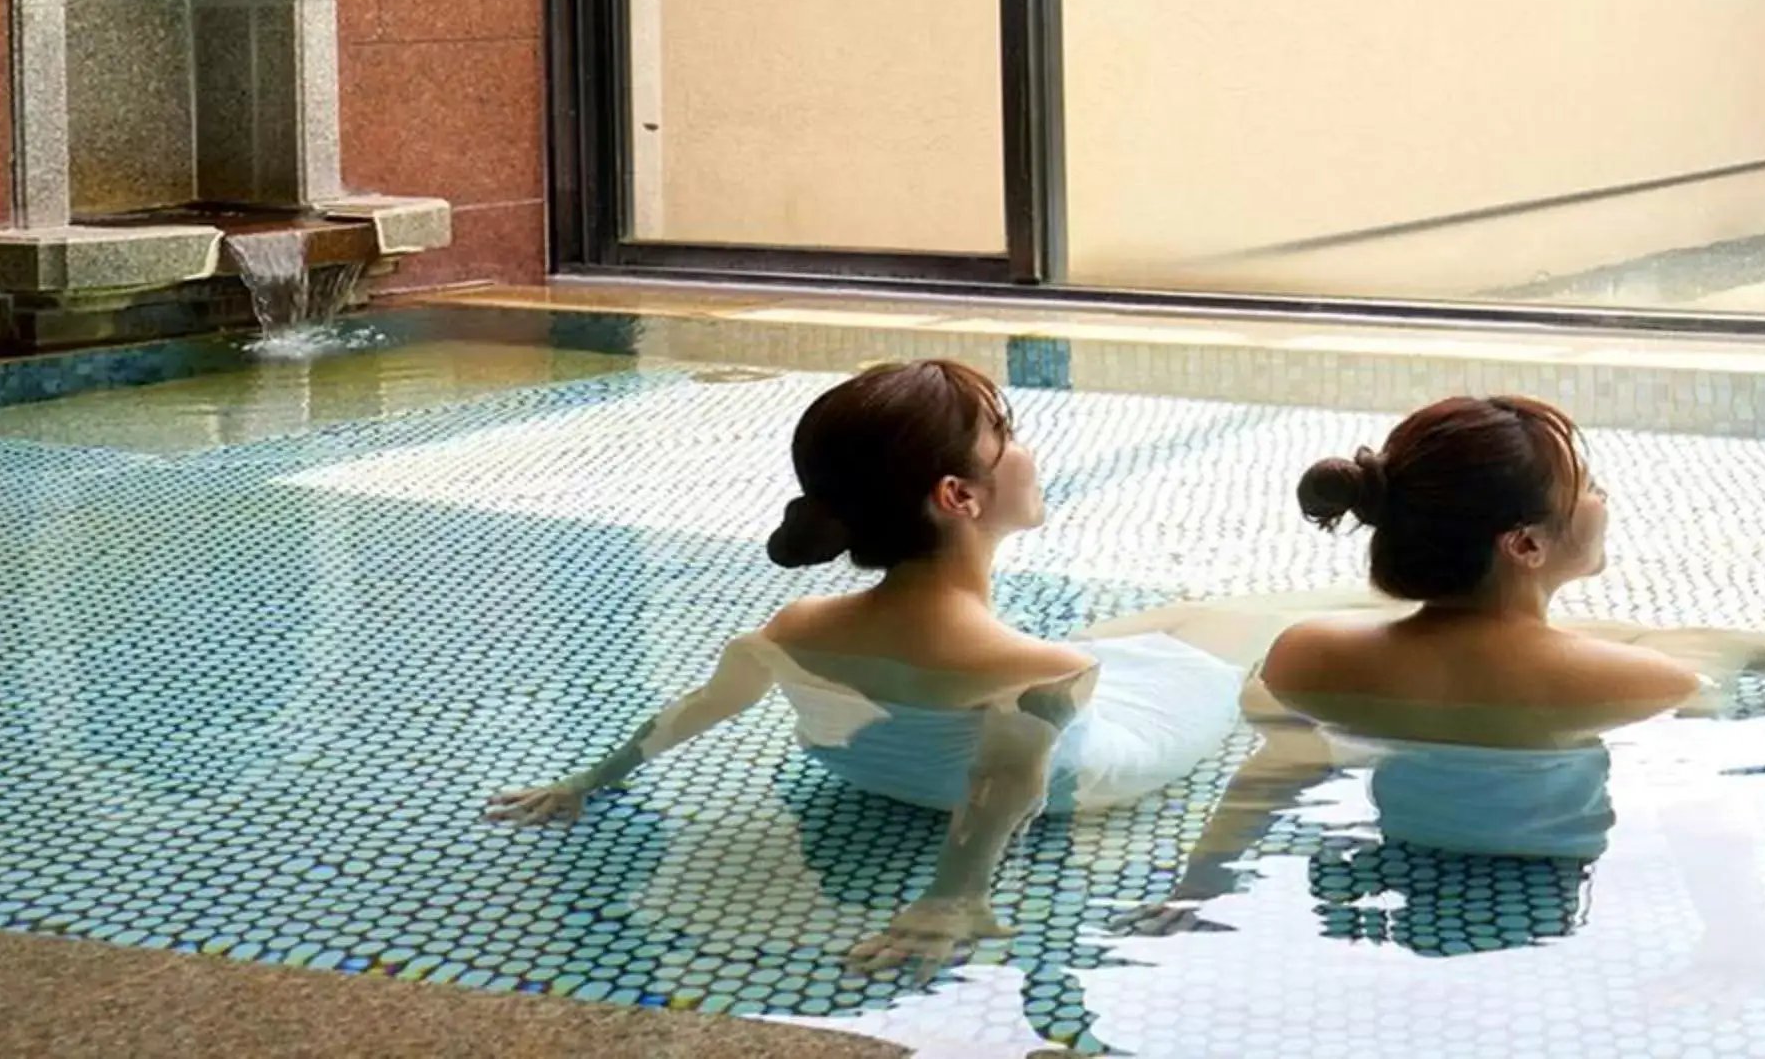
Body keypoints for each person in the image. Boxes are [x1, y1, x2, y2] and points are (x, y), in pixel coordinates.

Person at [483, 358, 1290, 965]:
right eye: (1003, 438)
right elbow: (1008, 785)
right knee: (1239, 630)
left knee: (1149, 628)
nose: (1024, 450)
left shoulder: (799, 623)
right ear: (958, 496)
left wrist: (586, 782)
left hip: (871, 772)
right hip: (1110, 767)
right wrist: (949, 899)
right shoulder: (1038, 665)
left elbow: (706, 703)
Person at [1245, 393, 1765, 859]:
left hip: (1404, 846)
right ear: (1526, 544)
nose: (1604, 501)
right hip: (1556, 863)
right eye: (1589, 485)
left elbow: (1270, 775)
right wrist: (1740, 937)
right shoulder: (1645, 684)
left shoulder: (1303, 655)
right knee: (1715, 645)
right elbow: (1704, 818)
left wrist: (1195, 889)